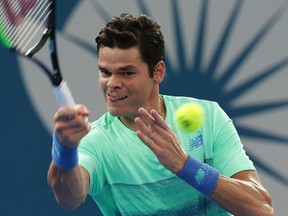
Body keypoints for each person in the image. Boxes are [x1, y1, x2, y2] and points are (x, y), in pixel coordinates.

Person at [47, 13, 273, 215]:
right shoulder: (95, 142)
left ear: (158, 71)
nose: (112, 84)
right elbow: (69, 198)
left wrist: (185, 166)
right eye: (105, 72)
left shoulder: (210, 117)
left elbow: (260, 208)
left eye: (126, 73)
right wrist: (65, 150)